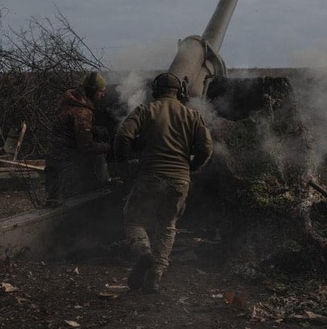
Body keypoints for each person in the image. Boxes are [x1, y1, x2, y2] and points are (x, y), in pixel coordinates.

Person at [114, 72, 212, 293]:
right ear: (180, 92)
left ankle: (143, 252)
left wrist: (124, 167)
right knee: (167, 227)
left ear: (155, 91)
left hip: (150, 176)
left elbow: (122, 137)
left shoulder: (145, 110)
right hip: (179, 181)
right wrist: (191, 168)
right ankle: (155, 277)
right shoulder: (192, 115)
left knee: (133, 221)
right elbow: (206, 148)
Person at [44, 71, 112, 206]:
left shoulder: (70, 101)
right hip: (67, 166)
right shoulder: (82, 112)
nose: (102, 95)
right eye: (100, 91)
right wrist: (108, 148)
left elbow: (70, 128)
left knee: (53, 203)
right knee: (70, 209)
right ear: (92, 91)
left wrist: (93, 130)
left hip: (54, 160)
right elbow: (86, 146)